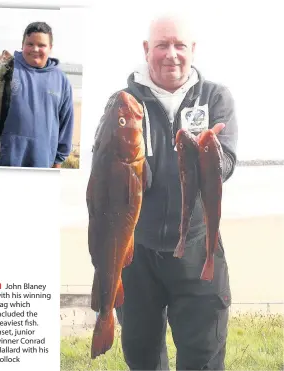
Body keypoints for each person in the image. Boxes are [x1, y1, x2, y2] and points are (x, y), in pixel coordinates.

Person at [95, 14, 238, 370]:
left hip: (197, 246)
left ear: (193, 50)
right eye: (162, 45)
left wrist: (210, 156)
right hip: (137, 250)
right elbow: (103, 168)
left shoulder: (215, 96)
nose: (171, 54)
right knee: (142, 355)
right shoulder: (124, 103)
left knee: (203, 355)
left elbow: (228, 164)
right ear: (147, 50)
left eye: (179, 45)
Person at [0, 21, 74, 168]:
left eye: (41, 45)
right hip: (3, 160)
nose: (35, 49)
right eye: (30, 44)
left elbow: (66, 124)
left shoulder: (62, 80)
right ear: (22, 45)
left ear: (50, 48)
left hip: (41, 163)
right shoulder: (8, 68)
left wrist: (58, 162)